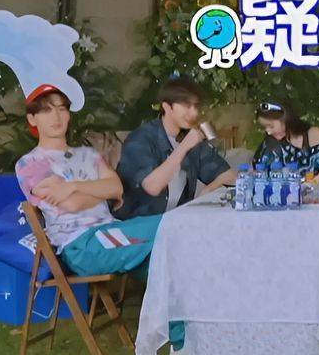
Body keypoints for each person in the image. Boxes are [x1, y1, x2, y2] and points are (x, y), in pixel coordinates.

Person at [14, 85, 161, 277]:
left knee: (170, 257)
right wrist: (103, 192)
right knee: (169, 224)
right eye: (46, 110)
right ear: (32, 119)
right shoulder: (30, 163)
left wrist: (73, 186)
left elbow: (117, 188)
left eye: (61, 109)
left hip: (112, 232)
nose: (56, 116)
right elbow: (72, 204)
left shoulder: (89, 154)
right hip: (81, 245)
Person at [116, 78, 236, 217]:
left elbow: (230, 176)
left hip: (175, 221)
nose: (194, 113)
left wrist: (206, 192)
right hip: (137, 223)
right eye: (186, 106)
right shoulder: (141, 139)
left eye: (196, 106)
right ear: (167, 107)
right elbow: (152, 187)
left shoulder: (190, 139)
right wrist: (184, 147)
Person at [254, 100, 319, 175]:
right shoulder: (269, 143)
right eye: (264, 127)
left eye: (271, 126)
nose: (268, 132)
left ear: (285, 119)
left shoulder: (313, 135)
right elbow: (257, 171)